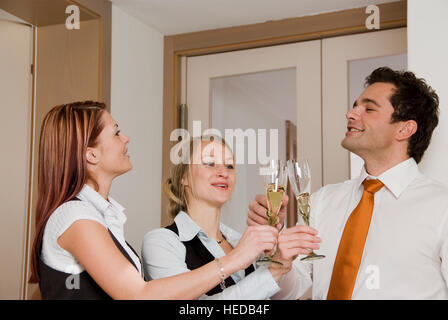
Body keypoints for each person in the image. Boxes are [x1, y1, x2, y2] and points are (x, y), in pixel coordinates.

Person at [29, 101, 281, 299]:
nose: (126, 138)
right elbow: (139, 295)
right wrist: (236, 259)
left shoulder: (98, 217)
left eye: (229, 165)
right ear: (91, 154)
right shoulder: (76, 217)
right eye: (116, 133)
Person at [247, 67, 448, 299]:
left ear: (404, 129)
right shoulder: (322, 201)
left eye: (369, 108)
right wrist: (277, 254)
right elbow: (286, 294)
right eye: (355, 105)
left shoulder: (441, 207)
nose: (350, 114)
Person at [141, 136, 318, 299]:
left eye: (229, 166)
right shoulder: (161, 242)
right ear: (184, 177)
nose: (223, 172)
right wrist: (240, 261)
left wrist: (280, 260)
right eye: (209, 163)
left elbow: (283, 296)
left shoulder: (240, 241)